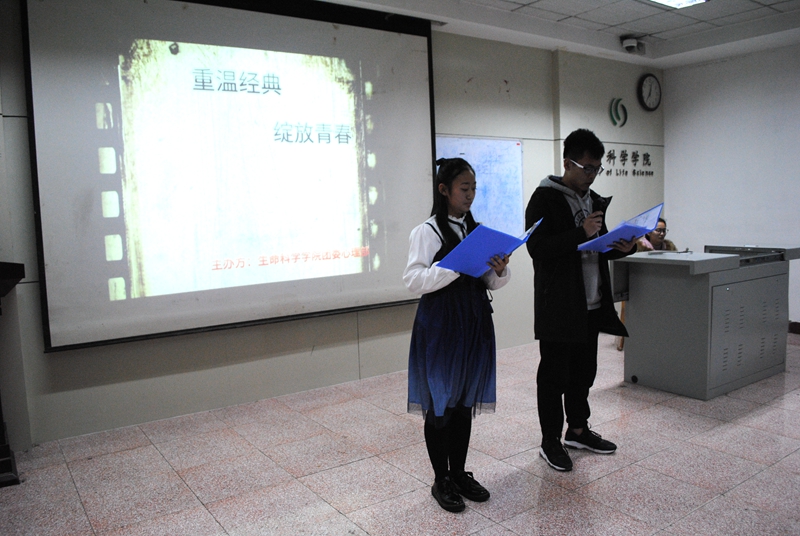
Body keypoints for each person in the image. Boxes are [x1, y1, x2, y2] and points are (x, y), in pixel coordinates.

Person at [524, 129, 636, 472]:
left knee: (583, 373)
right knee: (554, 376)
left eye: (597, 169)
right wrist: (579, 233)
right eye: (587, 168)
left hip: (591, 302)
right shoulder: (544, 199)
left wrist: (623, 247)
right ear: (567, 163)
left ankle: (577, 430)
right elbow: (537, 248)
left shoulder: (593, 199)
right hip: (559, 306)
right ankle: (550, 441)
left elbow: (598, 247)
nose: (592, 175)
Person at [403, 157, 511, 512]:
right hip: (440, 326)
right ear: (444, 190)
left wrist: (498, 270)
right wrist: (452, 267)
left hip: (474, 322)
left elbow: (490, 281)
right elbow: (413, 280)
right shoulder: (427, 232)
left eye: (474, 189)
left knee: (464, 403)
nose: (470, 195)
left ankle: (460, 472)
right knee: (440, 405)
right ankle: (441, 479)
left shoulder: (477, 230)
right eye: (464, 188)